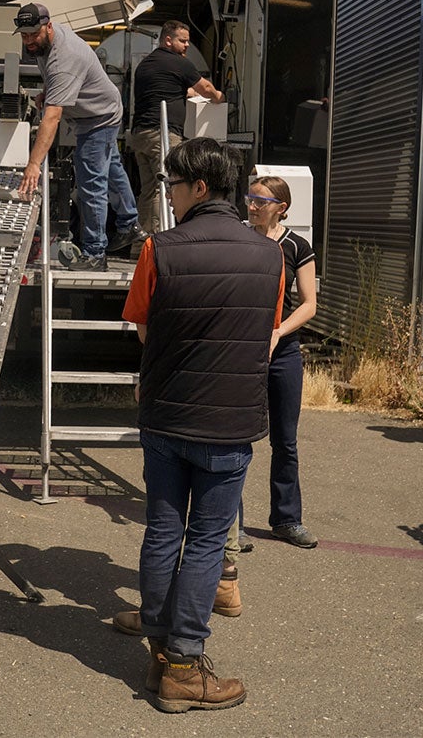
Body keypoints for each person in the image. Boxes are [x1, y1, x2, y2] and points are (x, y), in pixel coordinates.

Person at [116, 137, 284, 712]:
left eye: (175, 184)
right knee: (207, 540)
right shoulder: (270, 255)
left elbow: (141, 329)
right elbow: (265, 334)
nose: (169, 194)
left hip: (165, 415)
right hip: (229, 420)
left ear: (201, 188)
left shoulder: (157, 249)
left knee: (163, 532)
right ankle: (186, 667)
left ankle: (161, 655)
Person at [14, 2, 146, 269]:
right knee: (111, 170)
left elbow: (52, 118)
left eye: (33, 34)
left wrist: (33, 164)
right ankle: (129, 223)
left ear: (48, 26)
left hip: (97, 117)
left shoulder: (64, 58)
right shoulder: (45, 43)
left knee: (91, 183)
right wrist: (48, 92)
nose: (29, 40)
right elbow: (54, 79)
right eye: (24, 35)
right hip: (101, 109)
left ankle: (95, 254)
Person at [246, 175, 319, 548]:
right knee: (237, 435)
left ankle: (287, 519)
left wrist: (278, 332)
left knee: (285, 441)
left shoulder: (296, 245)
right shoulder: (240, 239)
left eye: (261, 200)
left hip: (284, 351)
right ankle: (230, 524)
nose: (253, 205)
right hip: (241, 349)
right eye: (250, 198)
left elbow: (309, 304)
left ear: (282, 208)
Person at [128, 20, 224, 233]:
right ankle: (159, 239)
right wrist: (219, 96)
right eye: (183, 41)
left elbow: (175, 90)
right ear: (168, 40)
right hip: (162, 133)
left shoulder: (146, 64)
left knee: (148, 189)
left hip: (140, 134)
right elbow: (206, 88)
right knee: (168, 186)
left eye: (188, 41)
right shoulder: (179, 63)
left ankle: (142, 241)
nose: (187, 45)